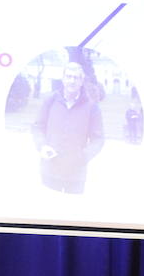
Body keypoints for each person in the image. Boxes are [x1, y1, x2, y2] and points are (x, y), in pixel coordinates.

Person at [31, 61, 104, 194]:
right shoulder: (50, 100)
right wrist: (42, 146)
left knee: (72, 212)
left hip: (76, 174)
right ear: (63, 79)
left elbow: (98, 139)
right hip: (49, 170)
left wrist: (83, 156)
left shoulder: (92, 108)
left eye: (76, 78)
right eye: (69, 76)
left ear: (81, 81)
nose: (72, 81)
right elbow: (37, 127)